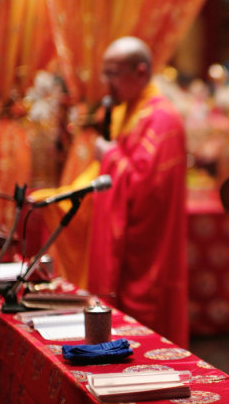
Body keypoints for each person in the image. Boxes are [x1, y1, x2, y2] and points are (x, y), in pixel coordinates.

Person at [75, 36, 188, 347]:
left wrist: (108, 156)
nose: (106, 83)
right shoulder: (133, 110)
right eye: (104, 73)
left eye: (113, 73)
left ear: (140, 72)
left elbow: (147, 189)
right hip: (128, 244)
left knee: (148, 339)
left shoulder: (162, 118)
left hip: (148, 251)